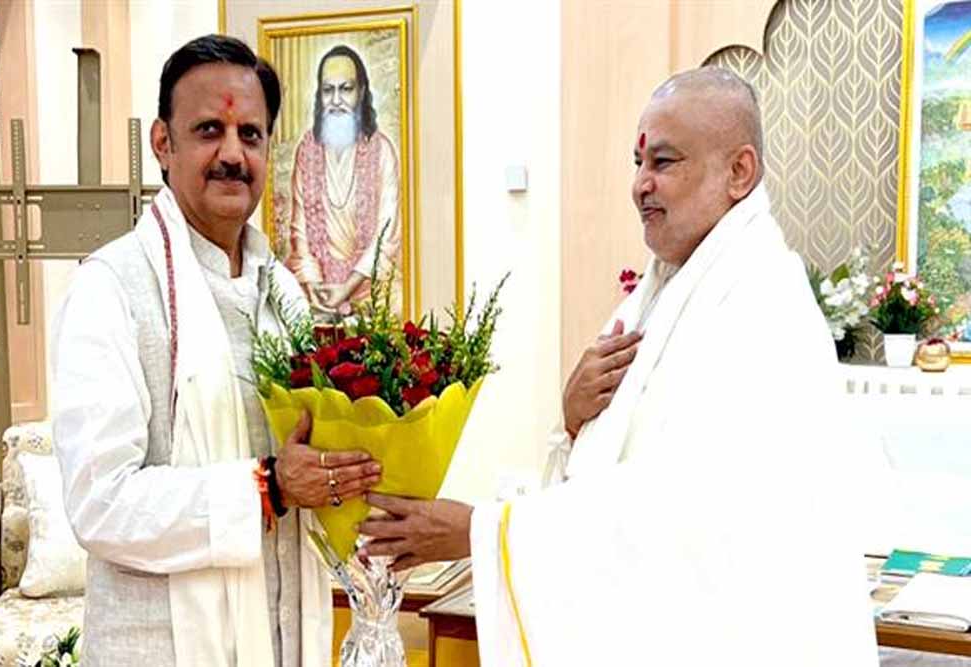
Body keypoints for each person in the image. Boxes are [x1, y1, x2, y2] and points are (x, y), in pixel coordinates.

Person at [357, 67, 879, 666]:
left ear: (739, 172)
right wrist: (573, 418)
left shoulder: (762, 304)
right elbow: (616, 469)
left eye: (663, 162)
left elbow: (688, 510)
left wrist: (481, 531)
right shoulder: (663, 291)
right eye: (638, 162)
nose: (640, 185)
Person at [52, 35, 381, 667]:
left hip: (282, 638)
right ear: (163, 143)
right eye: (210, 130)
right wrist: (266, 488)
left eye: (250, 135)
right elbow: (101, 502)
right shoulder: (113, 288)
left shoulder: (282, 292)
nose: (233, 153)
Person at [286, 44, 401, 317]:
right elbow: (299, 234)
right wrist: (314, 286)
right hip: (317, 291)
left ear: (361, 92)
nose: (336, 100)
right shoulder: (307, 151)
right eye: (328, 90)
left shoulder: (382, 151)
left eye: (346, 89)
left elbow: (386, 237)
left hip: (369, 287)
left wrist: (346, 289)